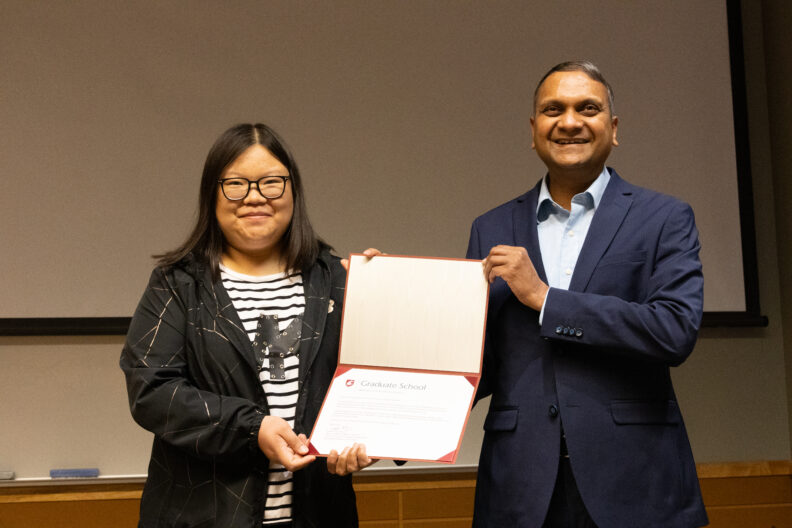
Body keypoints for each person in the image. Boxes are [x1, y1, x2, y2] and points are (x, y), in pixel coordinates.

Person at [466, 61, 709, 527]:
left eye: (588, 108)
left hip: (635, 483)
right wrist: (391, 292)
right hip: (520, 488)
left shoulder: (664, 218)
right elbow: (478, 361)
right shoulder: (490, 227)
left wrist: (546, 299)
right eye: (553, 110)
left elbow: (674, 331)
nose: (569, 121)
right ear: (533, 129)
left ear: (613, 129)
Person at [121, 123, 372, 528]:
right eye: (236, 184)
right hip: (202, 515)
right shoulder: (178, 284)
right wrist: (253, 428)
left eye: (271, 182)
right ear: (212, 194)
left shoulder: (337, 279)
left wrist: (388, 293)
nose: (255, 197)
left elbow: (376, 381)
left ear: (293, 191)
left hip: (320, 513)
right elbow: (151, 390)